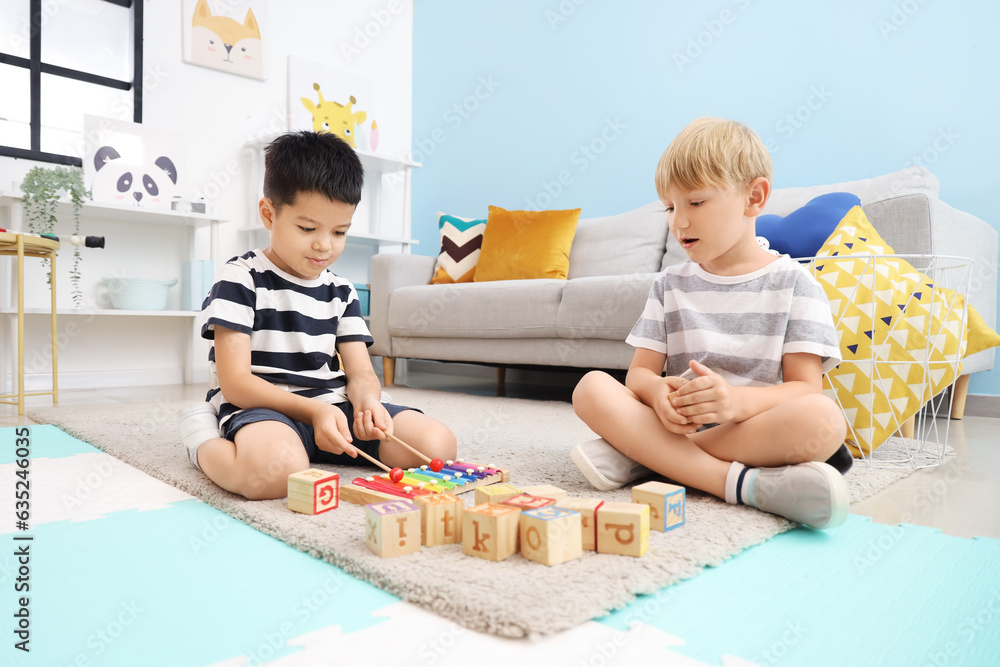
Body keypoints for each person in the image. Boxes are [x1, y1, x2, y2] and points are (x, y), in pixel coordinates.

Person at [570, 117, 851, 530]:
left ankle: (645, 458)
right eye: (670, 206)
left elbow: (805, 388)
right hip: (677, 424)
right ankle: (735, 483)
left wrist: (736, 403)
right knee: (591, 386)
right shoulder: (669, 285)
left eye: (695, 203)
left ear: (753, 198)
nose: (678, 222)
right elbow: (639, 376)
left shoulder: (795, 285)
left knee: (823, 419)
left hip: (751, 428)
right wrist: (657, 392)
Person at [178, 131, 456, 500]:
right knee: (271, 476)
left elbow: (360, 374)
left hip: (334, 408)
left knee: (438, 445)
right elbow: (236, 383)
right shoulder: (240, 277)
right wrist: (310, 412)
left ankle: (311, 445)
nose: (324, 244)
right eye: (307, 228)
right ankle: (200, 438)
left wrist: (367, 402)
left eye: (340, 231)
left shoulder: (341, 290)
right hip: (265, 407)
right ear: (269, 213)